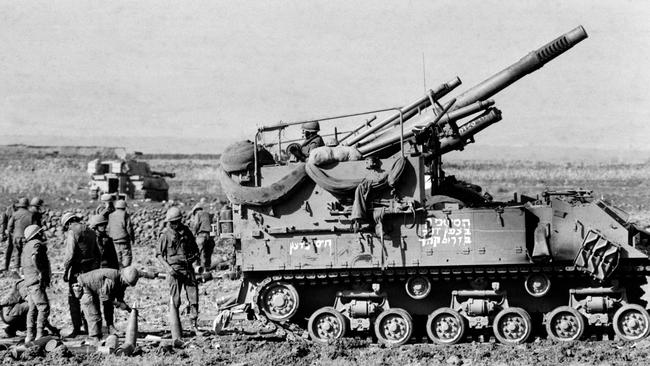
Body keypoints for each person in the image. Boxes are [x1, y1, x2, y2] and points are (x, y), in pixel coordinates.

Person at [157, 207, 201, 336]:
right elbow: (159, 254)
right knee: (175, 300)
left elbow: (195, 248)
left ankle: (194, 325)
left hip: (188, 269)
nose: (174, 224)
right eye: (172, 222)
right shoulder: (165, 235)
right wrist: (168, 268)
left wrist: (194, 258)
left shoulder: (186, 232)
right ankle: (176, 329)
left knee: (194, 298)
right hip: (174, 270)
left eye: (176, 222)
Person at [74, 266, 139, 342]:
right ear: (123, 278)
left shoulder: (121, 282)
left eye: (128, 284)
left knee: (108, 308)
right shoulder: (112, 280)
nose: (127, 285)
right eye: (126, 283)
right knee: (93, 313)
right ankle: (95, 338)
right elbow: (105, 298)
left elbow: (119, 297)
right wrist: (117, 303)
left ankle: (109, 329)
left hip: (96, 288)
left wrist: (128, 309)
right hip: (85, 286)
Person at [61, 212, 100, 338]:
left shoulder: (72, 232)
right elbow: (97, 253)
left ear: (68, 224)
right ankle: (91, 328)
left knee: (74, 299)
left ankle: (77, 329)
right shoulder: (91, 231)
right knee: (91, 298)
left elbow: (70, 254)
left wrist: (66, 271)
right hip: (91, 269)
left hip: (78, 270)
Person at [88, 214, 120, 335]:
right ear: (96, 226)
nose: (104, 226)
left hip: (106, 274)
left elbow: (114, 259)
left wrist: (115, 275)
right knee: (93, 302)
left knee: (108, 301)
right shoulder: (89, 240)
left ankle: (110, 325)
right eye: (102, 225)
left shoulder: (108, 240)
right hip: (93, 274)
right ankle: (94, 328)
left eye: (105, 224)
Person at [21, 225, 51, 343]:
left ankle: (29, 335)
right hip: (35, 280)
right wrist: (40, 272)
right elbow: (35, 257)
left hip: (29, 280)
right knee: (43, 307)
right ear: (36, 234)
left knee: (32, 308)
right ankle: (39, 334)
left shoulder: (26, 246)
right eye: (40, 232)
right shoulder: (36, 243)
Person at [6, 197, 36, 273]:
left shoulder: (15, 214)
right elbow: (34, 227)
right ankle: (25, 270)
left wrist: (13, 234)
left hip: (16, 237)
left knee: (17, 253)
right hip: (26, 237)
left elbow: (9, 226)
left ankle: (17, 270)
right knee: (26, 254)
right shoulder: (31, 214)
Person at [107, 200, 135, 268]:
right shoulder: (125, 215)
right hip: (124, 240)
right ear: (124, 207)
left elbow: (108, 228)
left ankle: (118, 271)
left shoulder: (111, 215)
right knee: (127, 256)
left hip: (113, 240)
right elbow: (129, 229)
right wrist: (132, 238)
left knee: (117, 256)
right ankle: (125, 271)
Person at [190, 204, 214, 270]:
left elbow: (196, 224)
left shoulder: (198, 214)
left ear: (195, 211)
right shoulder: (207, 214)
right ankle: (208, 267)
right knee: (208, 252)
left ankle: (201, 269)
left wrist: (193, 234)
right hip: (209, 235)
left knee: (200, 252)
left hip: (201, 235)